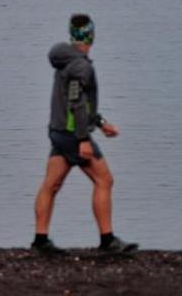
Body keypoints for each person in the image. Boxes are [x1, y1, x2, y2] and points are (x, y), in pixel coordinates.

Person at [31, 14, 137, 254]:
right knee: (104, 180)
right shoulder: (82, 66)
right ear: (91, 35)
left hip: (58, 131)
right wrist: (82, 139)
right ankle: (108, 240)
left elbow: (78, 102)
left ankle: (40, 240)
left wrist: (100, 122)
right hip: (72, 134)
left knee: (51, 184)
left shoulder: (65, 61)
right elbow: (77, 101)